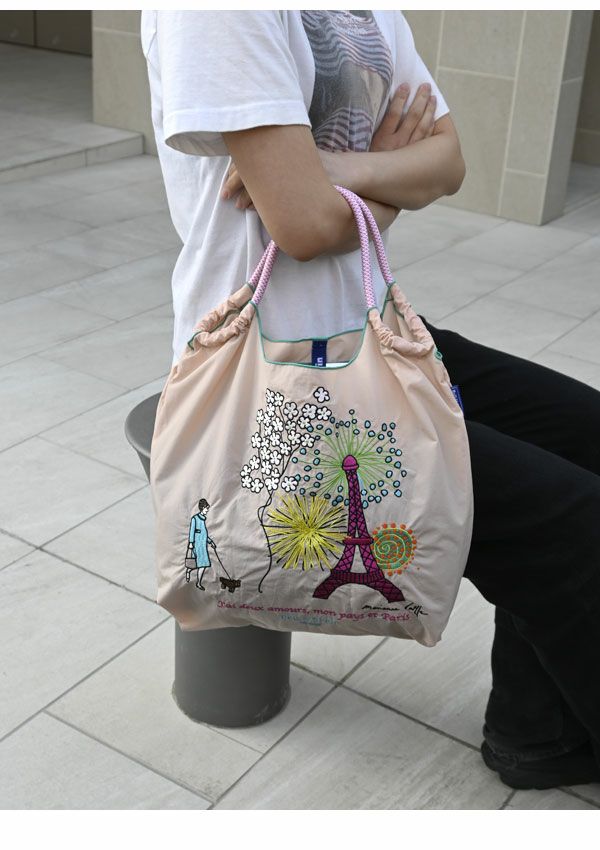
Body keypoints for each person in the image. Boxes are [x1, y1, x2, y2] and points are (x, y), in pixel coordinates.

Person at [141, 10, 600, 791]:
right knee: (575, 522)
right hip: (264, 371)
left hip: (370, 330)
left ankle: (538, 730)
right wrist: (378, 178)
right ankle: (543, 732)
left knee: (585, 434)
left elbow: (448, 161)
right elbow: (307, 226)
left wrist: (325, 168)